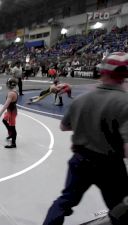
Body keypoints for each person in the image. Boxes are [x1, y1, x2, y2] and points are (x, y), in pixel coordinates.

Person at [42, 52, 128, 225]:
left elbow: (64, 126)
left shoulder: (82, 99)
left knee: (64, 201)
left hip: (80, 161)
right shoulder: (124, 102)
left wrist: (88, 119)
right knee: (120, 207)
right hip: (110, 166)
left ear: (102, 72)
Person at [0, 78, 19, 149]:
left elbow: (6, 105)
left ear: (9, 85)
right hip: (10, 110)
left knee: (13, 127)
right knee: (4, 120)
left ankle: (13, 143)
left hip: (12, 112)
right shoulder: (14, 91)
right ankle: (11, 133)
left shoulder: (11, 93)